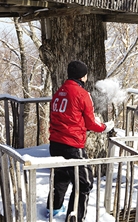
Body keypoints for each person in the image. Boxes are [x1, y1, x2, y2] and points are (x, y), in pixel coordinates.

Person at [46, 60, 114, 222]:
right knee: (85, 183)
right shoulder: (82, 94)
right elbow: (91, 123)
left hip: (55, 143)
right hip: (72, 144)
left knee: (61, 177)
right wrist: (104, 127)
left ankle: (53, 209)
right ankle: (75, 217)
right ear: (83, 77)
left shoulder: (59, 91)